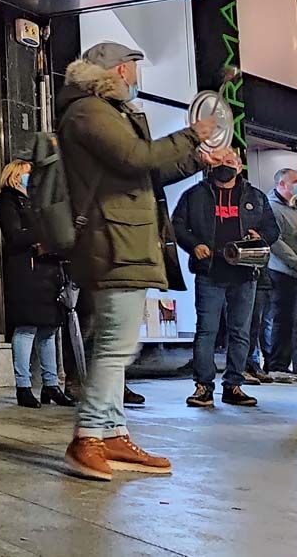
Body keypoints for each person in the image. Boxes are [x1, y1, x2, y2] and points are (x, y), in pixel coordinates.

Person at [56, 42, 219, 482]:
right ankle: (87, 436)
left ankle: (112, 433)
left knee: (119, 342)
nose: (135, 75)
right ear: (118, 71)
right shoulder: (88, 111)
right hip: (111, 240)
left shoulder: (109, 111)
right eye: (132, 67)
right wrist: (192, 135)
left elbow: (147, 171)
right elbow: (135, 157)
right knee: (115, 344)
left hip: (123, 238)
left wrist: (196, 159)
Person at [173, 148, 278, 408]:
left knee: (241, 332)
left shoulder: (255, 196)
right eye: (219, 160)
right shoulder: (195, 194)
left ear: (239, 167)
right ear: (211, 165)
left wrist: (260, 237)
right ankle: (203, 387)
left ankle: (233, 385)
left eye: (230, 161)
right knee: (206, 331)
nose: (225, 165)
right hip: (210, 271)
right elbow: (177, 225)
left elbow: (272, 229)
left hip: (245, 272)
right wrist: (193, 245)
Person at [0, 160, 75, 409]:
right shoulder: (7, 200)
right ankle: (23, 386)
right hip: (26, 272)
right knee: (26, 328)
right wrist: (45, 232)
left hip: (49, 271)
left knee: (49, 329)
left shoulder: (40, 202)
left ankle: (51, 385)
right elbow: (14, 236)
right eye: (28, 174)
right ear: (16, 175)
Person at [266, 168, 297, 375]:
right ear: (282, 184)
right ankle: (278, 365)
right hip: (285, 273)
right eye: (296, 182)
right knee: (285, 322)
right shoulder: (272, 208)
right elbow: (276, 243)